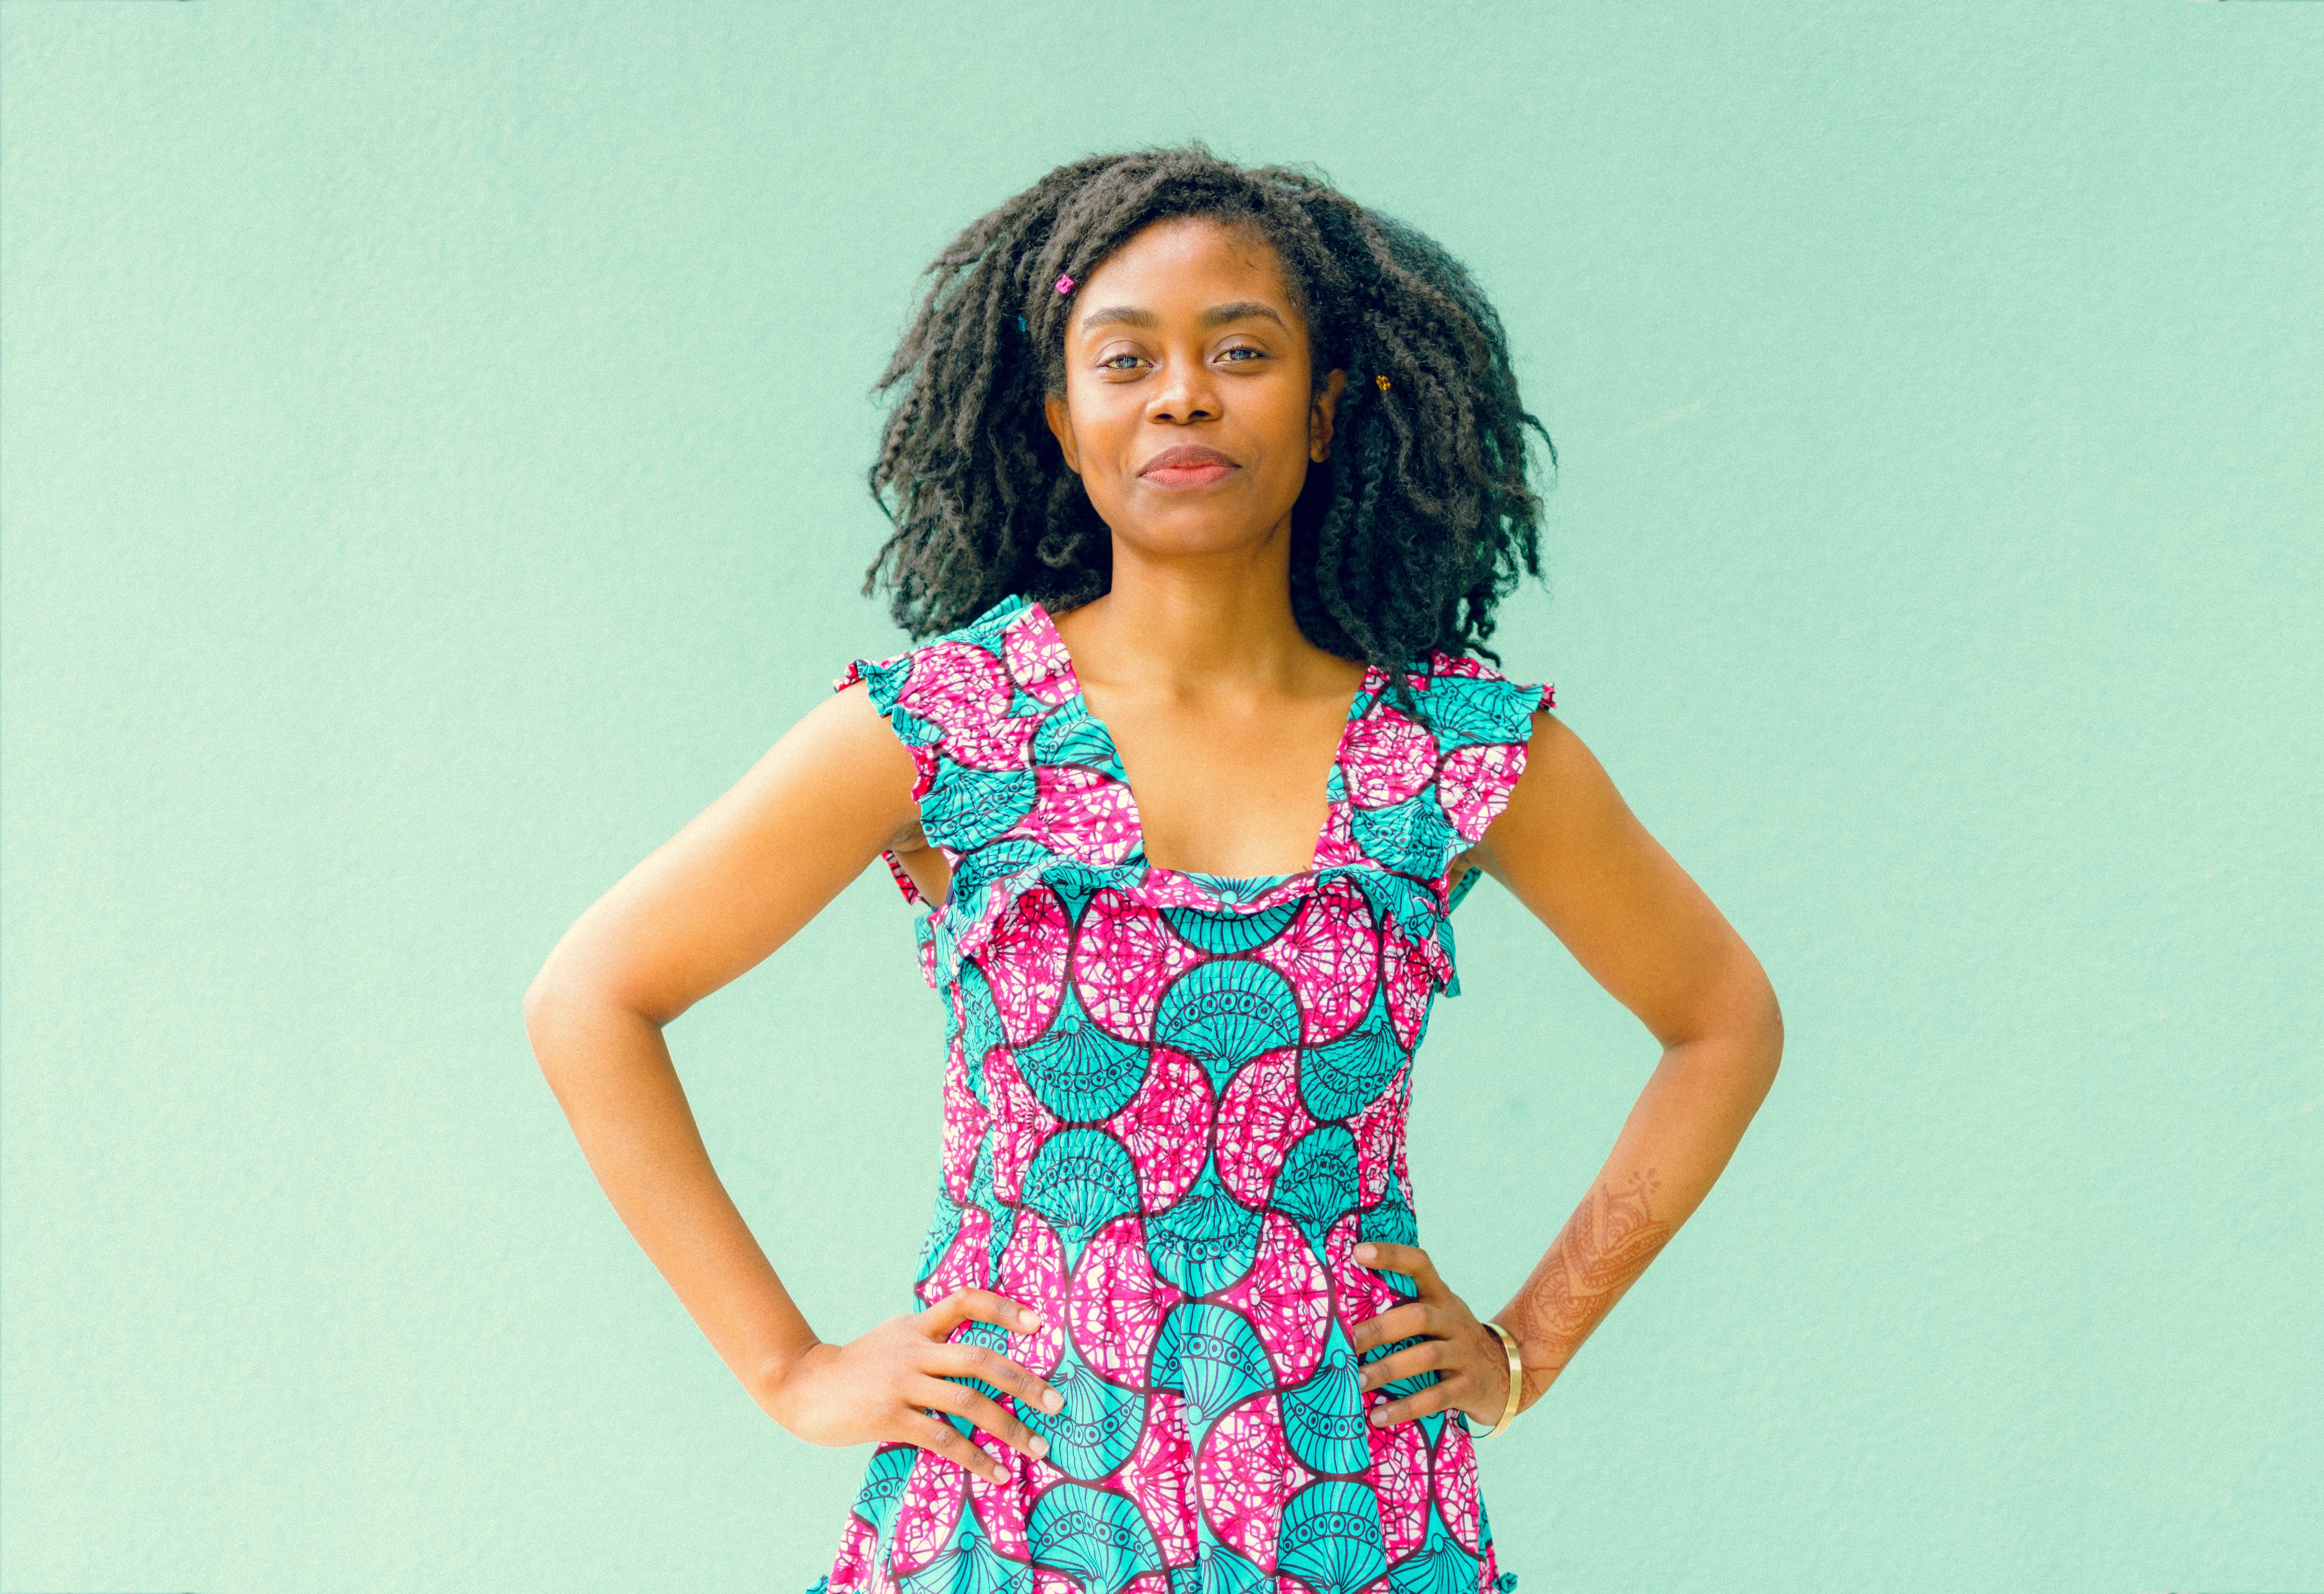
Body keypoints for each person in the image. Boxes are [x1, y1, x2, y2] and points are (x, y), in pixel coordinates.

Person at [525, 145, 1783, 1594]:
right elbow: (592, 999)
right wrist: (789, 1368)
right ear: (1062, 420)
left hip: (1362, 1517)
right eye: (1125, 359)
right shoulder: (939, 728)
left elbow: (1723, 1020)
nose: (1182, 392)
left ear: (1324, 412)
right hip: (1011, 1517)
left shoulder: (1459, 751)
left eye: (1239, 351)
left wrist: (1526, 1347)